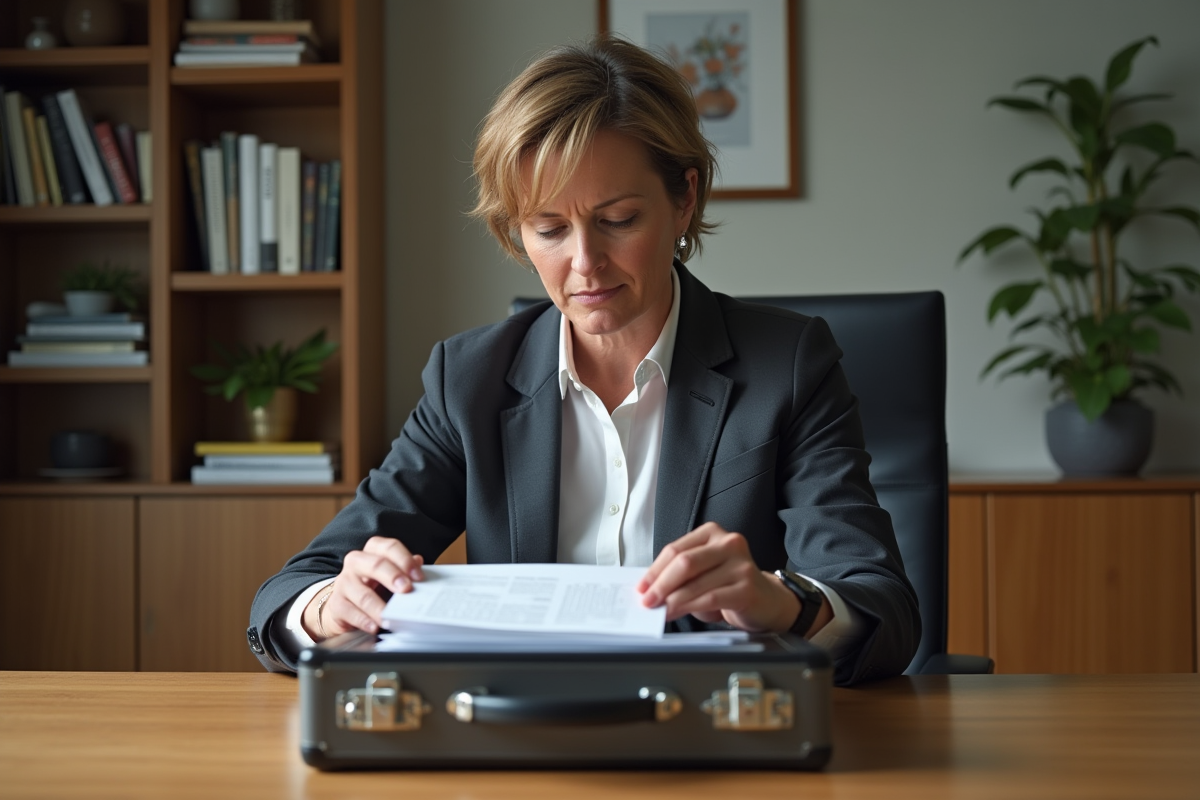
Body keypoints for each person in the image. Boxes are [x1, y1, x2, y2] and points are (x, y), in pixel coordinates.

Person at [248, 36, 919, 686]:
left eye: (619, 219)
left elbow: (883, 605)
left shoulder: (789, 365)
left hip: (711, 733)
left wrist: (787, 604)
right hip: (521, 739)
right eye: (548, 229)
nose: (584, 263)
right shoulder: (470, 380)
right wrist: (329, 606)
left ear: (684, 199)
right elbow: (293, 587)